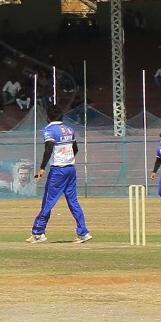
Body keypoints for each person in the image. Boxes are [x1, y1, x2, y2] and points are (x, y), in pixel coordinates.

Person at [30, 104, 91, 244]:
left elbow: (49, 147)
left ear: (48, 117)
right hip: (71, 169)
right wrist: (68, 158)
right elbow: (75, 148)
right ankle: (83, 232)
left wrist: (42, 168)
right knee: (72, 200)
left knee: (48, 201)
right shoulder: (69, 130)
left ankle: (38, 233)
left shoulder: (49, 130)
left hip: (58, 170)